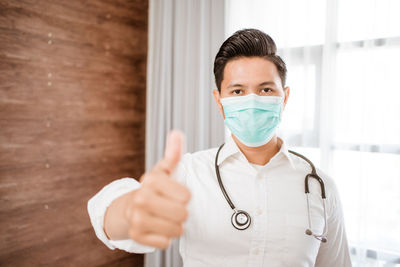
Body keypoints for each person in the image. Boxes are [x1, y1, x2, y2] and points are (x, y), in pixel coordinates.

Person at [88, 28, 352, 267]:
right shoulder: (190, 173)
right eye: (237, 91)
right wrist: (129, 211)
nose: (252, 101)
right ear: (219, 100)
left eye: (266, 89)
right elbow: (108, 217)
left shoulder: (321, 187)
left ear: (285, 97)